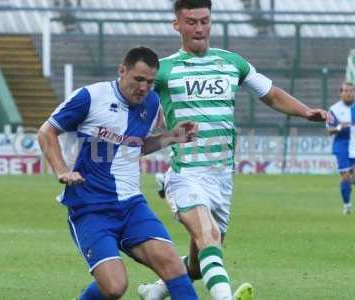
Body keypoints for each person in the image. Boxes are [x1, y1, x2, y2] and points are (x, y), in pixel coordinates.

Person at [137, 1, 327, 300]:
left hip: (223, 177)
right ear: (177, 25)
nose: (199, 28)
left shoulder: (232, 63)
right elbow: (128, 94)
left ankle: (155, 292)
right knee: (208, 236)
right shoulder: (164, 71)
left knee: (201, 262)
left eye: (204, 21)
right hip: (187, 174)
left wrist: (306, 112)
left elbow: (271, 94)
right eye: (191, 22)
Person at [38, 46, 199, 300]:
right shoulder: (90, 97)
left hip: (131, 205)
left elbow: (135, 146)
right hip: (90, 208)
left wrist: (171, 136)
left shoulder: (151, 102)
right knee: (114, 287)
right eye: (138, 79)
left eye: (150, 82)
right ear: (122, 71)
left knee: (172, 264)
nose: (144, 87)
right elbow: (46, 131)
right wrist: (62, 171)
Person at [326, 82, 355, 215]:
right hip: (342, 145)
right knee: (345, 177)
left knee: (352, 177)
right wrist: (339, 127)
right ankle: (347, 204)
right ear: (341, 93)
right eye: (346, 91)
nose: (349, 93)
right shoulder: (334, 109)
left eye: (351, 91)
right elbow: (329, 130)